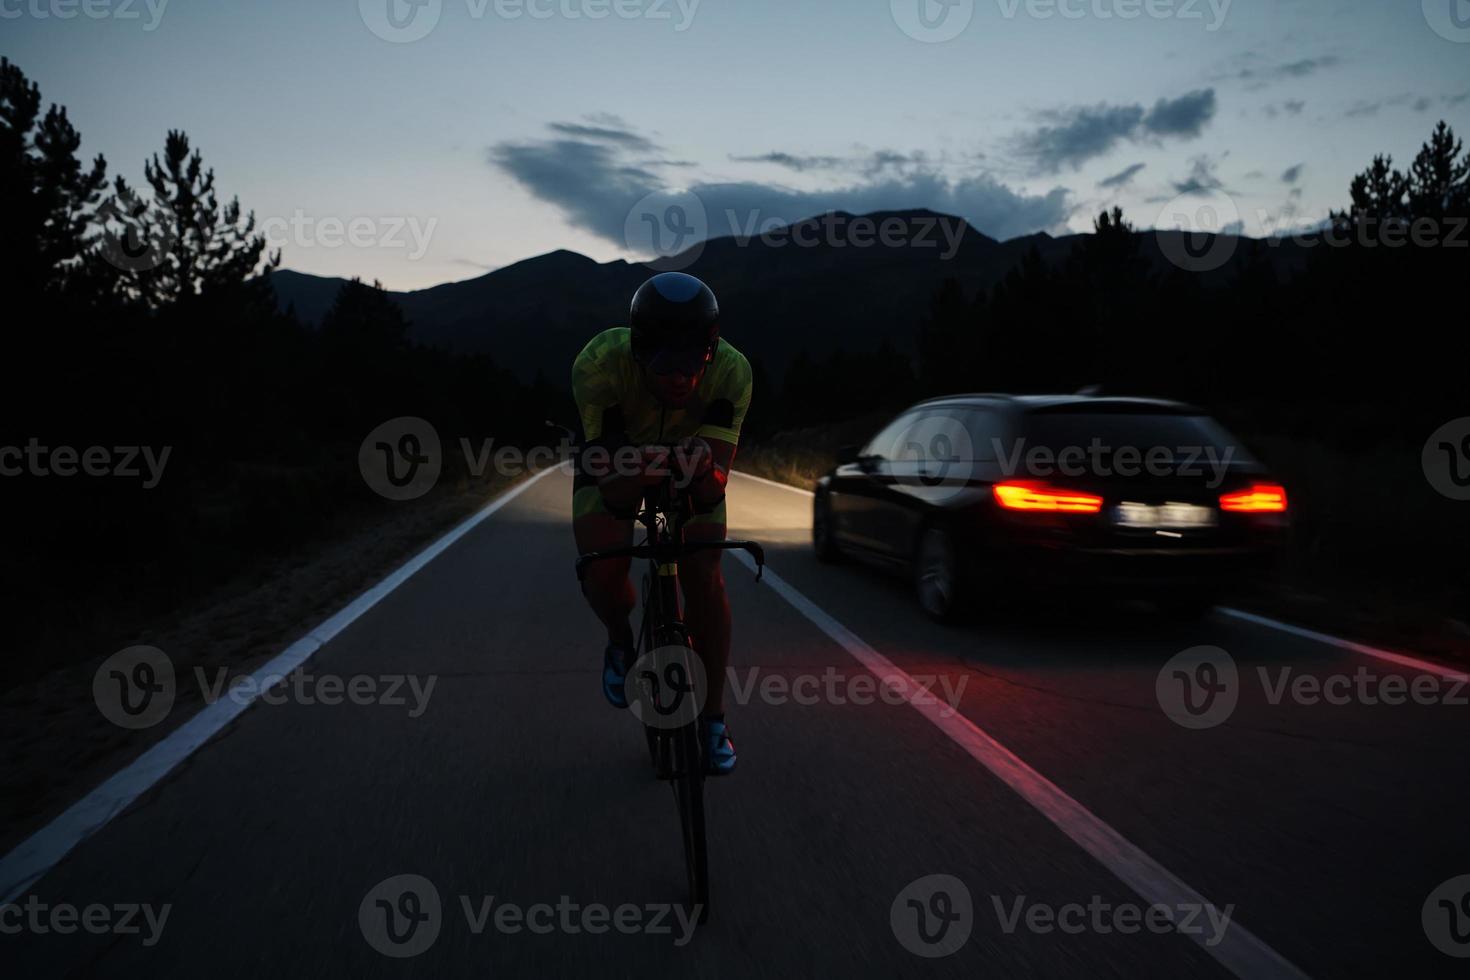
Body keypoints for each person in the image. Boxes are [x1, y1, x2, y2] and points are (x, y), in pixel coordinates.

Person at [571, 272, 752, 775]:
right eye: (664, 364)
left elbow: (712, 488)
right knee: (601, 573)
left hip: (690, 463)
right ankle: (620, 637)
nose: (680, 377)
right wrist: (637, 468)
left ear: (711, 352)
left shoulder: (733, 372)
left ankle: (714, 719)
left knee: (706, 576)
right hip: (619, 464)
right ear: (637, 352)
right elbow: (609, 485)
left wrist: (699, 473)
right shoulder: (599, 363)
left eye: (693, 362)